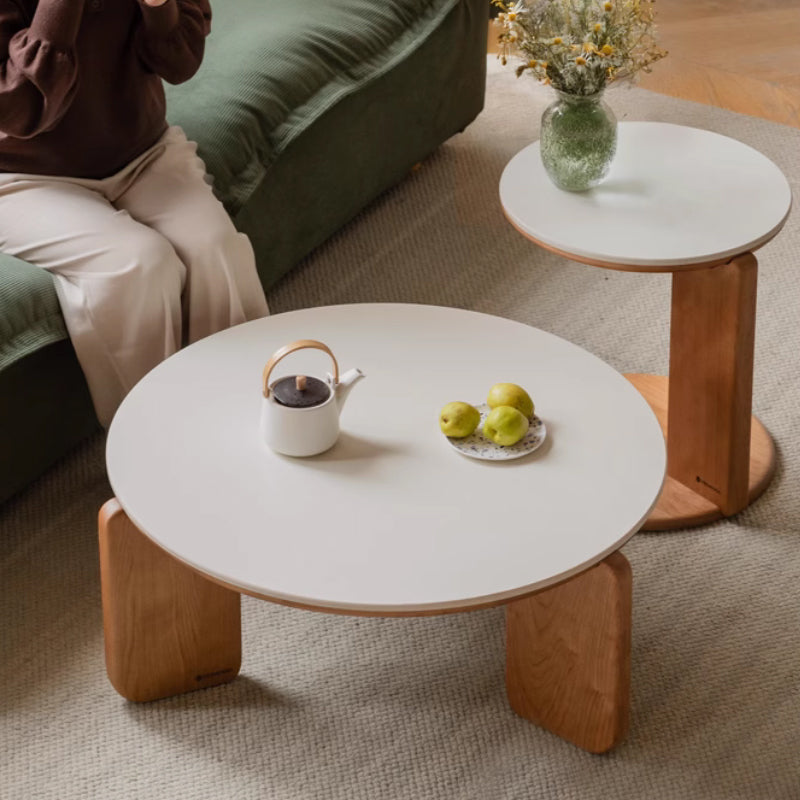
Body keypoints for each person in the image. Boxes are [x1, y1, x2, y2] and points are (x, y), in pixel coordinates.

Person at [0, 0, 270, 427]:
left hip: (144, 151)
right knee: (137, 265)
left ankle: (252, 420)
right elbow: (19, 106)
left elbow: (181, 62)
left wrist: (158, 6)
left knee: (215, 249)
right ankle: (152, 446)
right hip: (20, 179)